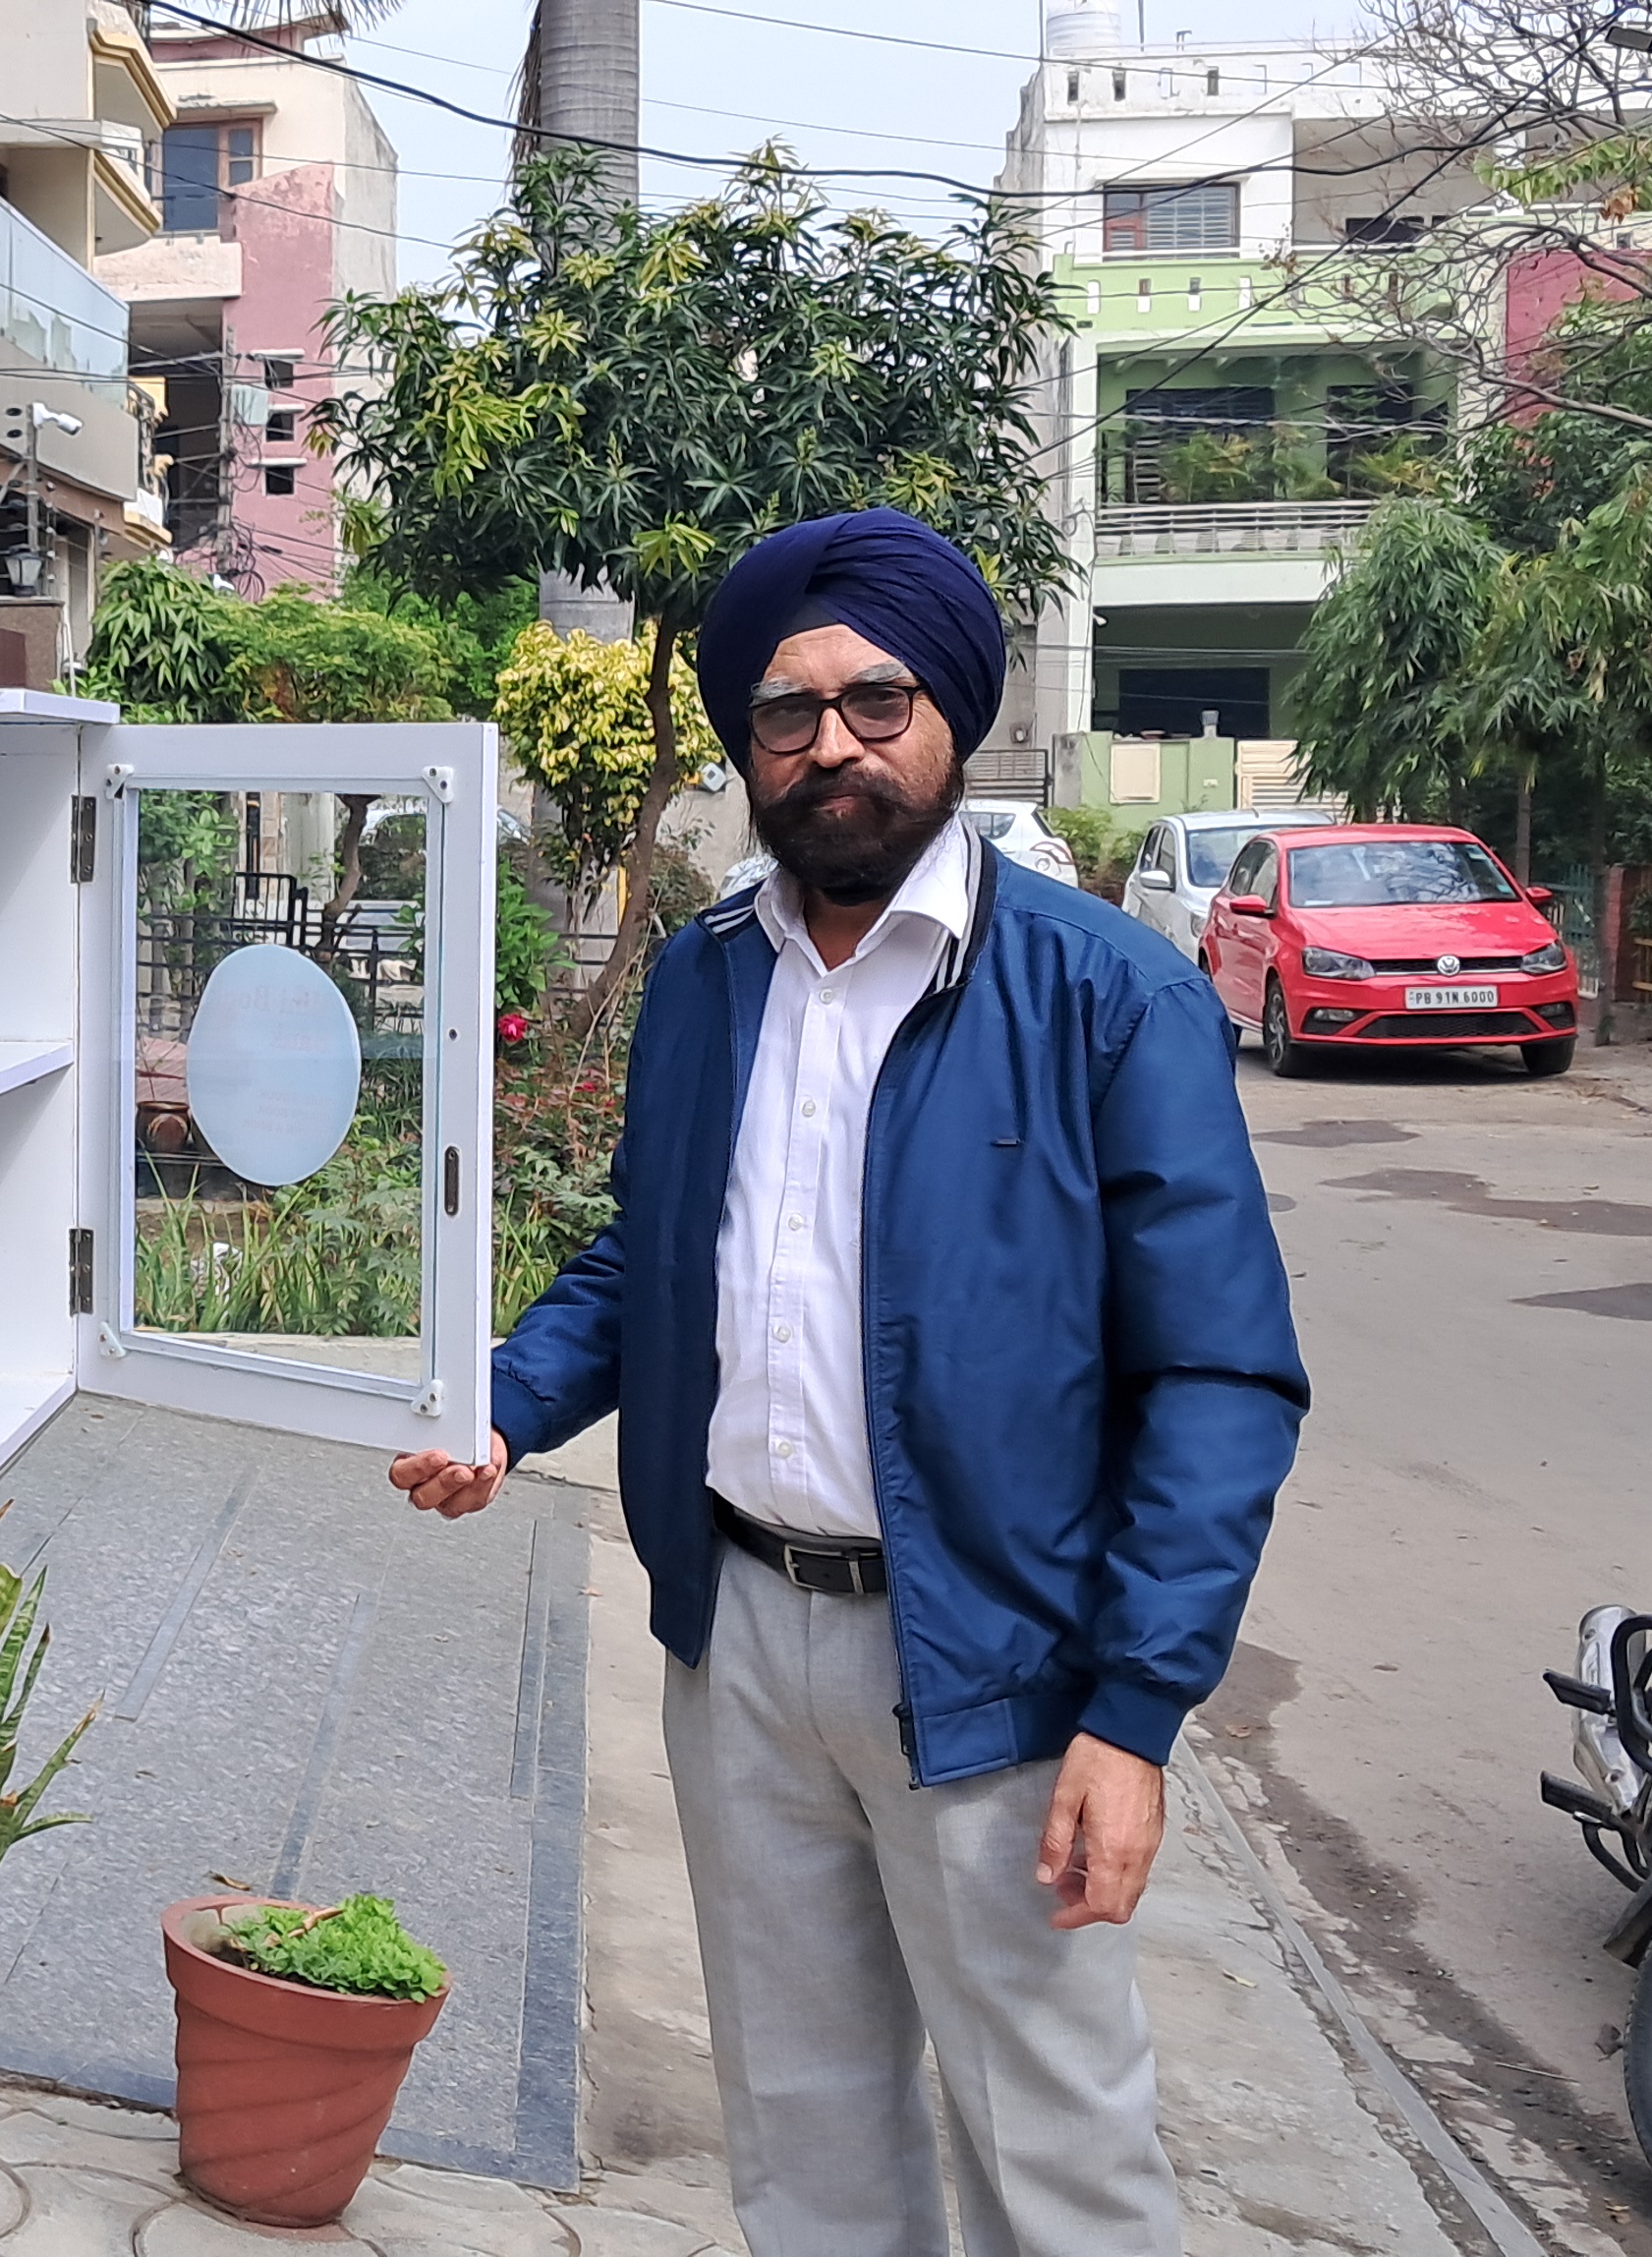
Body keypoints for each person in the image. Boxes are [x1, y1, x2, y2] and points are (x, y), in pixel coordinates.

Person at [393, 509, 1305, 2256]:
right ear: (747, 746)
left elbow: (1218, 1377)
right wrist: (505, 1403)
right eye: (786, 714)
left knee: (1057, 2153)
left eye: (874, 703)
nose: (832, 748)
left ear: (950, 711)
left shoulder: (1103, 994)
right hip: (736, 1639)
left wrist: (1135, 1715)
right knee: (805, 2141)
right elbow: (650, 1265)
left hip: (994, 1656)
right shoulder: (704, 979)